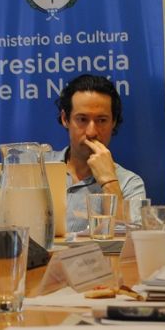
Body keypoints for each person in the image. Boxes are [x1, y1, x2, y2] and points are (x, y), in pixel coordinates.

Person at [47, 74, 146, 232]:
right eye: (82, 119)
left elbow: (130, 241)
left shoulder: (129, 183)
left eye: (102, 120)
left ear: (113, 122)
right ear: (65, 119)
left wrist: (109, 181)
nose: (91, 132)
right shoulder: (39, 169)